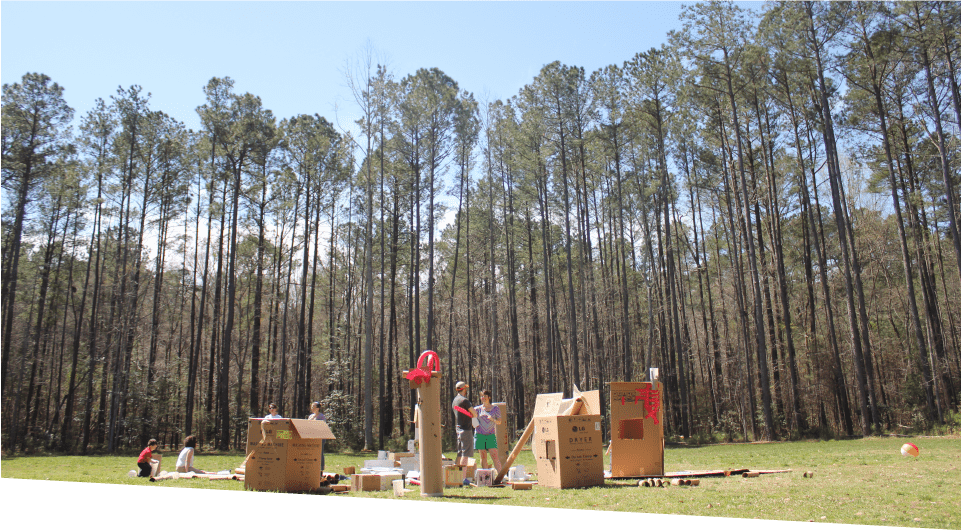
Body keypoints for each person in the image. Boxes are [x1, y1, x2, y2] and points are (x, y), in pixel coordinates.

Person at [473, 389, 503, 471]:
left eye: (485, 396)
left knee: (494, 456)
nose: (483, 398)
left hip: (490, 435)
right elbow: (474, 424)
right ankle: (486, 475)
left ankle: (500, 476)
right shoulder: (477, 409)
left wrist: (492, 419)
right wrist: (475, 421)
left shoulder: (495, 408)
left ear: (489, 397)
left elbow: (499, 422)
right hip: (479, 435)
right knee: (483, 456)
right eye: (481, 396)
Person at [452, 381, 474, 466]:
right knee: (465, 455)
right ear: (464, 389)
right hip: (466, 430)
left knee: (460, 454)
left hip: (458, 429)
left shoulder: (455, 400)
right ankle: (463, 478)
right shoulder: (465, 401)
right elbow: (474, 413)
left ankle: (456, 476)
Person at [308, 401, 327, 472]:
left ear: (318, 408)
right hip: (312, 437)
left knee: (320, 452)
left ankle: (321, 469)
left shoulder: (321, 416)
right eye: (311, 406)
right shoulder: (310, 416)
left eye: (313, 407)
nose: (312, 408)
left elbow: (323, 426)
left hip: (320, 437)